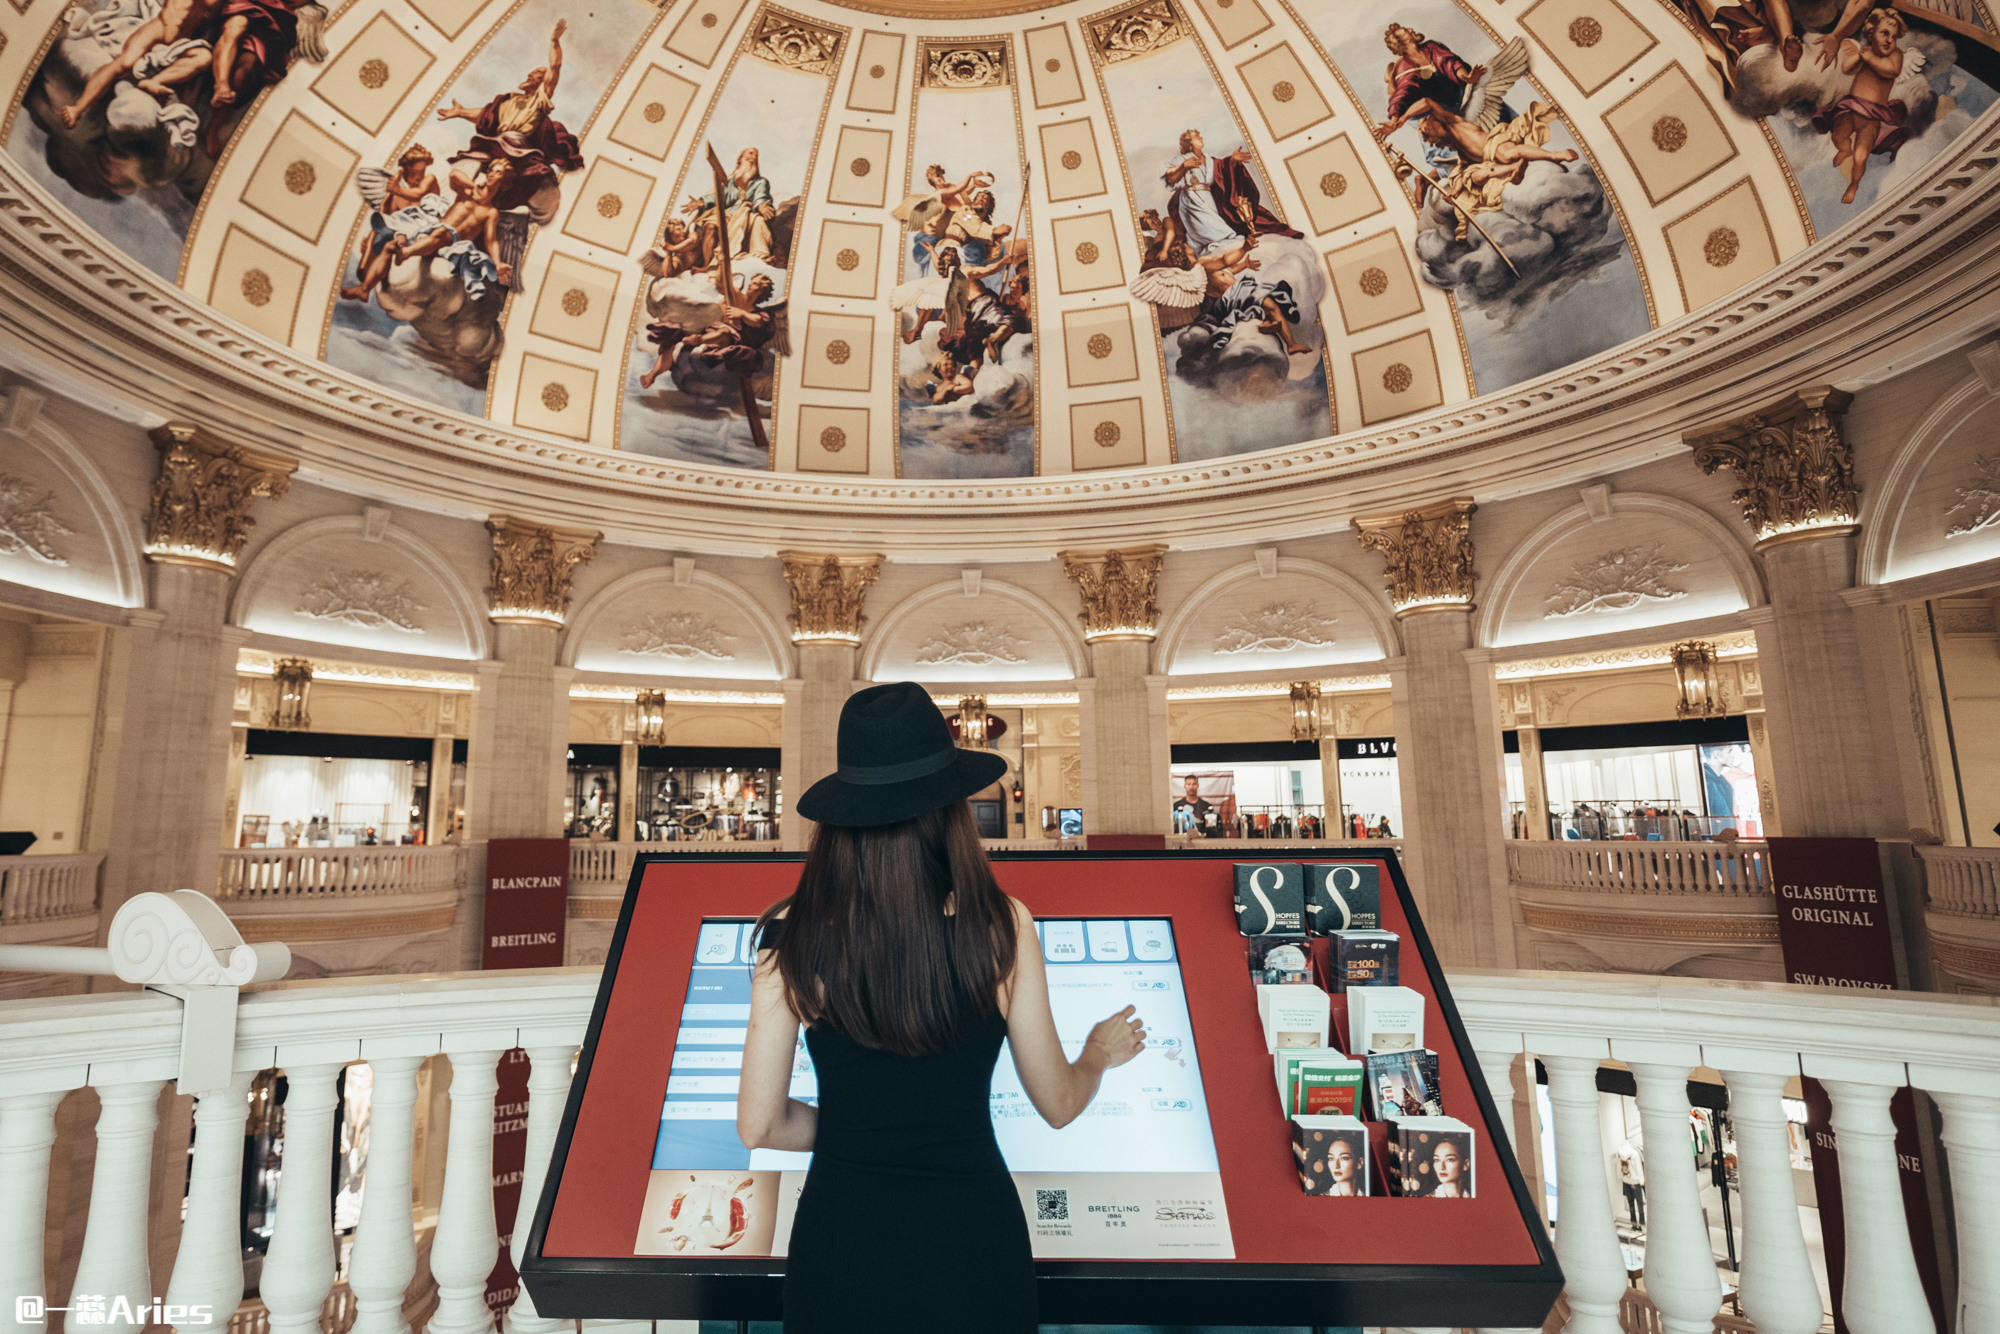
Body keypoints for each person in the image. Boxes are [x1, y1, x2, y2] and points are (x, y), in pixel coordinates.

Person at [737, 682, 1148, 1333]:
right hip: (971, 1244)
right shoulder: (1000, 926)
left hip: (840, 1243)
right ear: (949, 810)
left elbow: (759, 1126)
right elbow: (1060, 1104)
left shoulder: (793, 932)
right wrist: (1098, 1055)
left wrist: (855, 1127)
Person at [437, 20, 582, 213]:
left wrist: (554, 41)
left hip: (516, 147)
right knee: (467, 163)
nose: (531, 74)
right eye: (532, 71)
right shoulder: (509, 100)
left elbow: (555, 67)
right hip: (496, 143)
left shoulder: (539, 100)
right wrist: (460, 112)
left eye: (538, 74)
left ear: (542, 83)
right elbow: (486, 115)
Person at [1812, 8, 1911, 204]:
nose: (1889, 40)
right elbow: (1847, 69)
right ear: (1871, 33)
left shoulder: (1895, 55)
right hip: (1851, 108)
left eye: (1894, 36)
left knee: (1861, 156)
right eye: (1884, 33)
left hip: (1873, 116)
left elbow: (1892, 71)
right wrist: (1859, 56)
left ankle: (1854, 184)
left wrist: (1870, 59)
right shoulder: (1864, 51)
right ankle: (1843, 148)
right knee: (1838, 135)